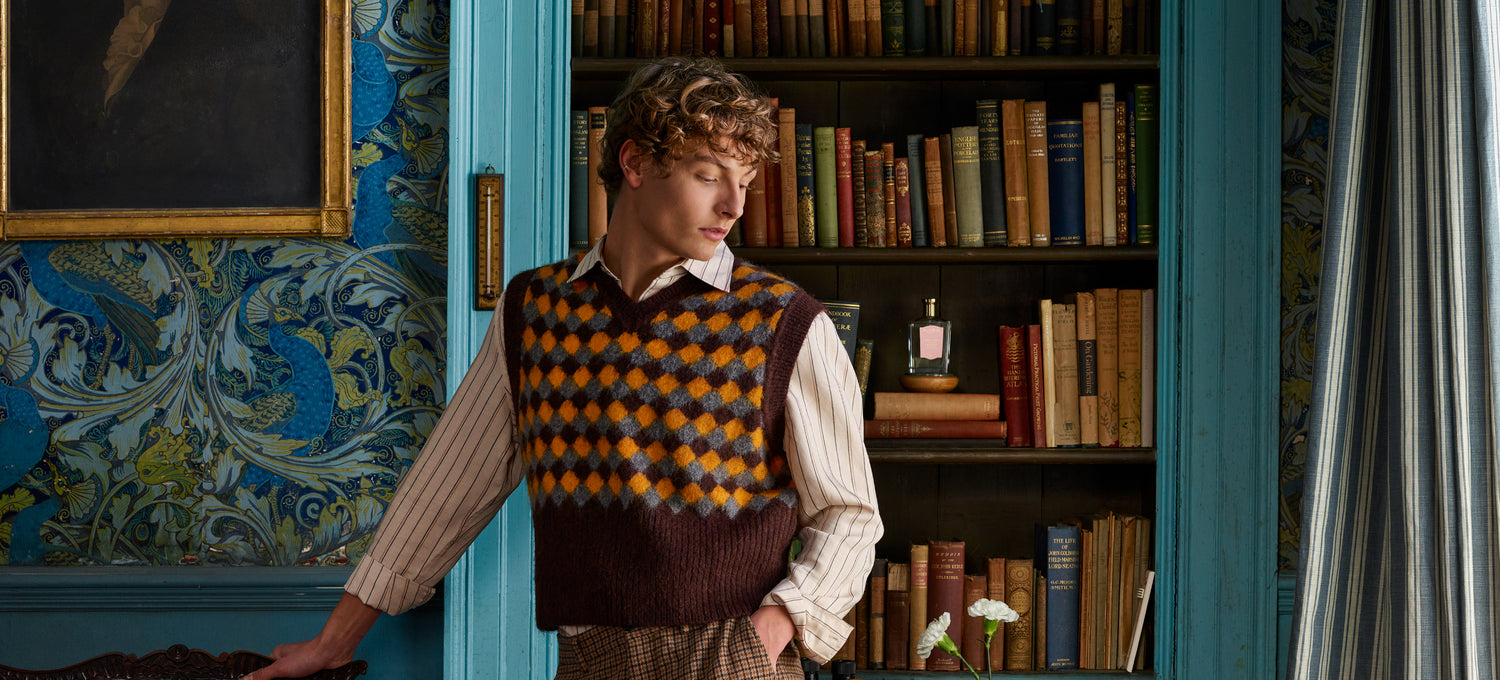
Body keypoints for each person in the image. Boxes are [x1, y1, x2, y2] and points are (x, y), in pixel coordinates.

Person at [246, 56, 881, 680]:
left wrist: (775, 628)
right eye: (709, 175)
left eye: (743, 181)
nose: (733, 206)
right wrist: (333, 643)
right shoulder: (535, 311)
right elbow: (445, 492)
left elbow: (850, 515)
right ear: (634, 162)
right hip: (589, 660)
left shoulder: (784, 323)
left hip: (732, 655)